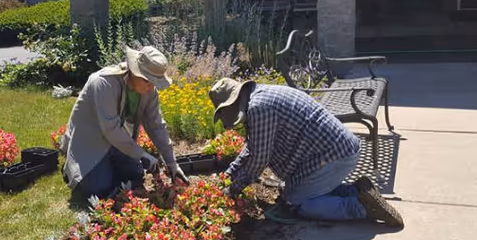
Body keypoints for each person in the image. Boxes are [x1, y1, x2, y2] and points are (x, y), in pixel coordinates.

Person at [209, 78, 404, 227]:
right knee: (294, 191)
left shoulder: (259, 108)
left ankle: (361, 207)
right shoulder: (262, 95)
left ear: (233, 101)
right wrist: (229, 175)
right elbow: (252, 148)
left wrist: (232, 190)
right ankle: (356, 191)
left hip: (334, 156)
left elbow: (259, 159)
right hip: (331, 153)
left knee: (299, 204)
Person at [57, 46, 188, 202]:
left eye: (155, 82)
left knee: (136, 175)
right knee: (96, 189)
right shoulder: (104, 83)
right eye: (147, 80)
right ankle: (72, 169)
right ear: (134, 71)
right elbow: (111, 130)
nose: (151, 87)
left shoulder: (149, 91)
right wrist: (142, 155)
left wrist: (172, 165)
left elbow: (156, 125)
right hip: (89, 139)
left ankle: (107, 167)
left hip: (115, 142)